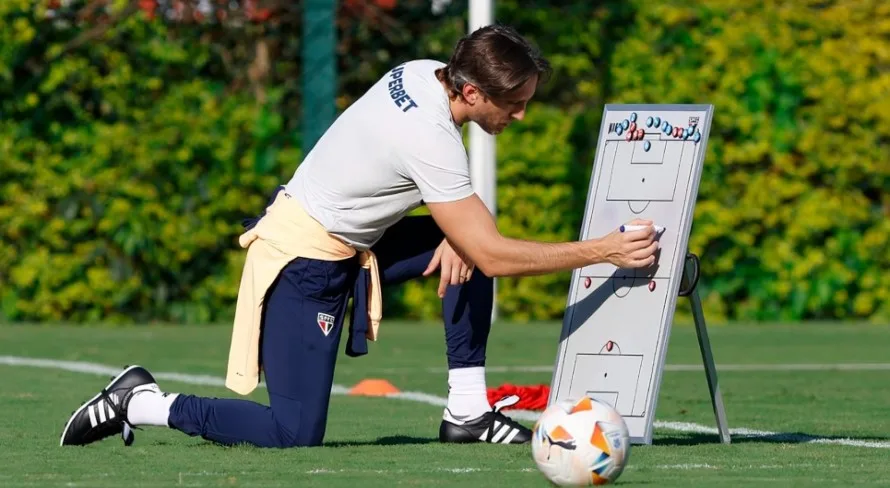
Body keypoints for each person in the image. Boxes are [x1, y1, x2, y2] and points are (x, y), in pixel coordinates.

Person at [60, 24, 658, 449]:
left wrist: (463, 238)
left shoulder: (425, 72)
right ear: (472, 92)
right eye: (515, 103)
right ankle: (142, 402)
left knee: (469, 244)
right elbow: (495, 258)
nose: (521, 115)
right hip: (304, 260)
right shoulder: (430, 136)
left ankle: (468, 413)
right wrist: (602, 250)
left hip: (356, 241)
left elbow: (472, 239)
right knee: (292, 433)